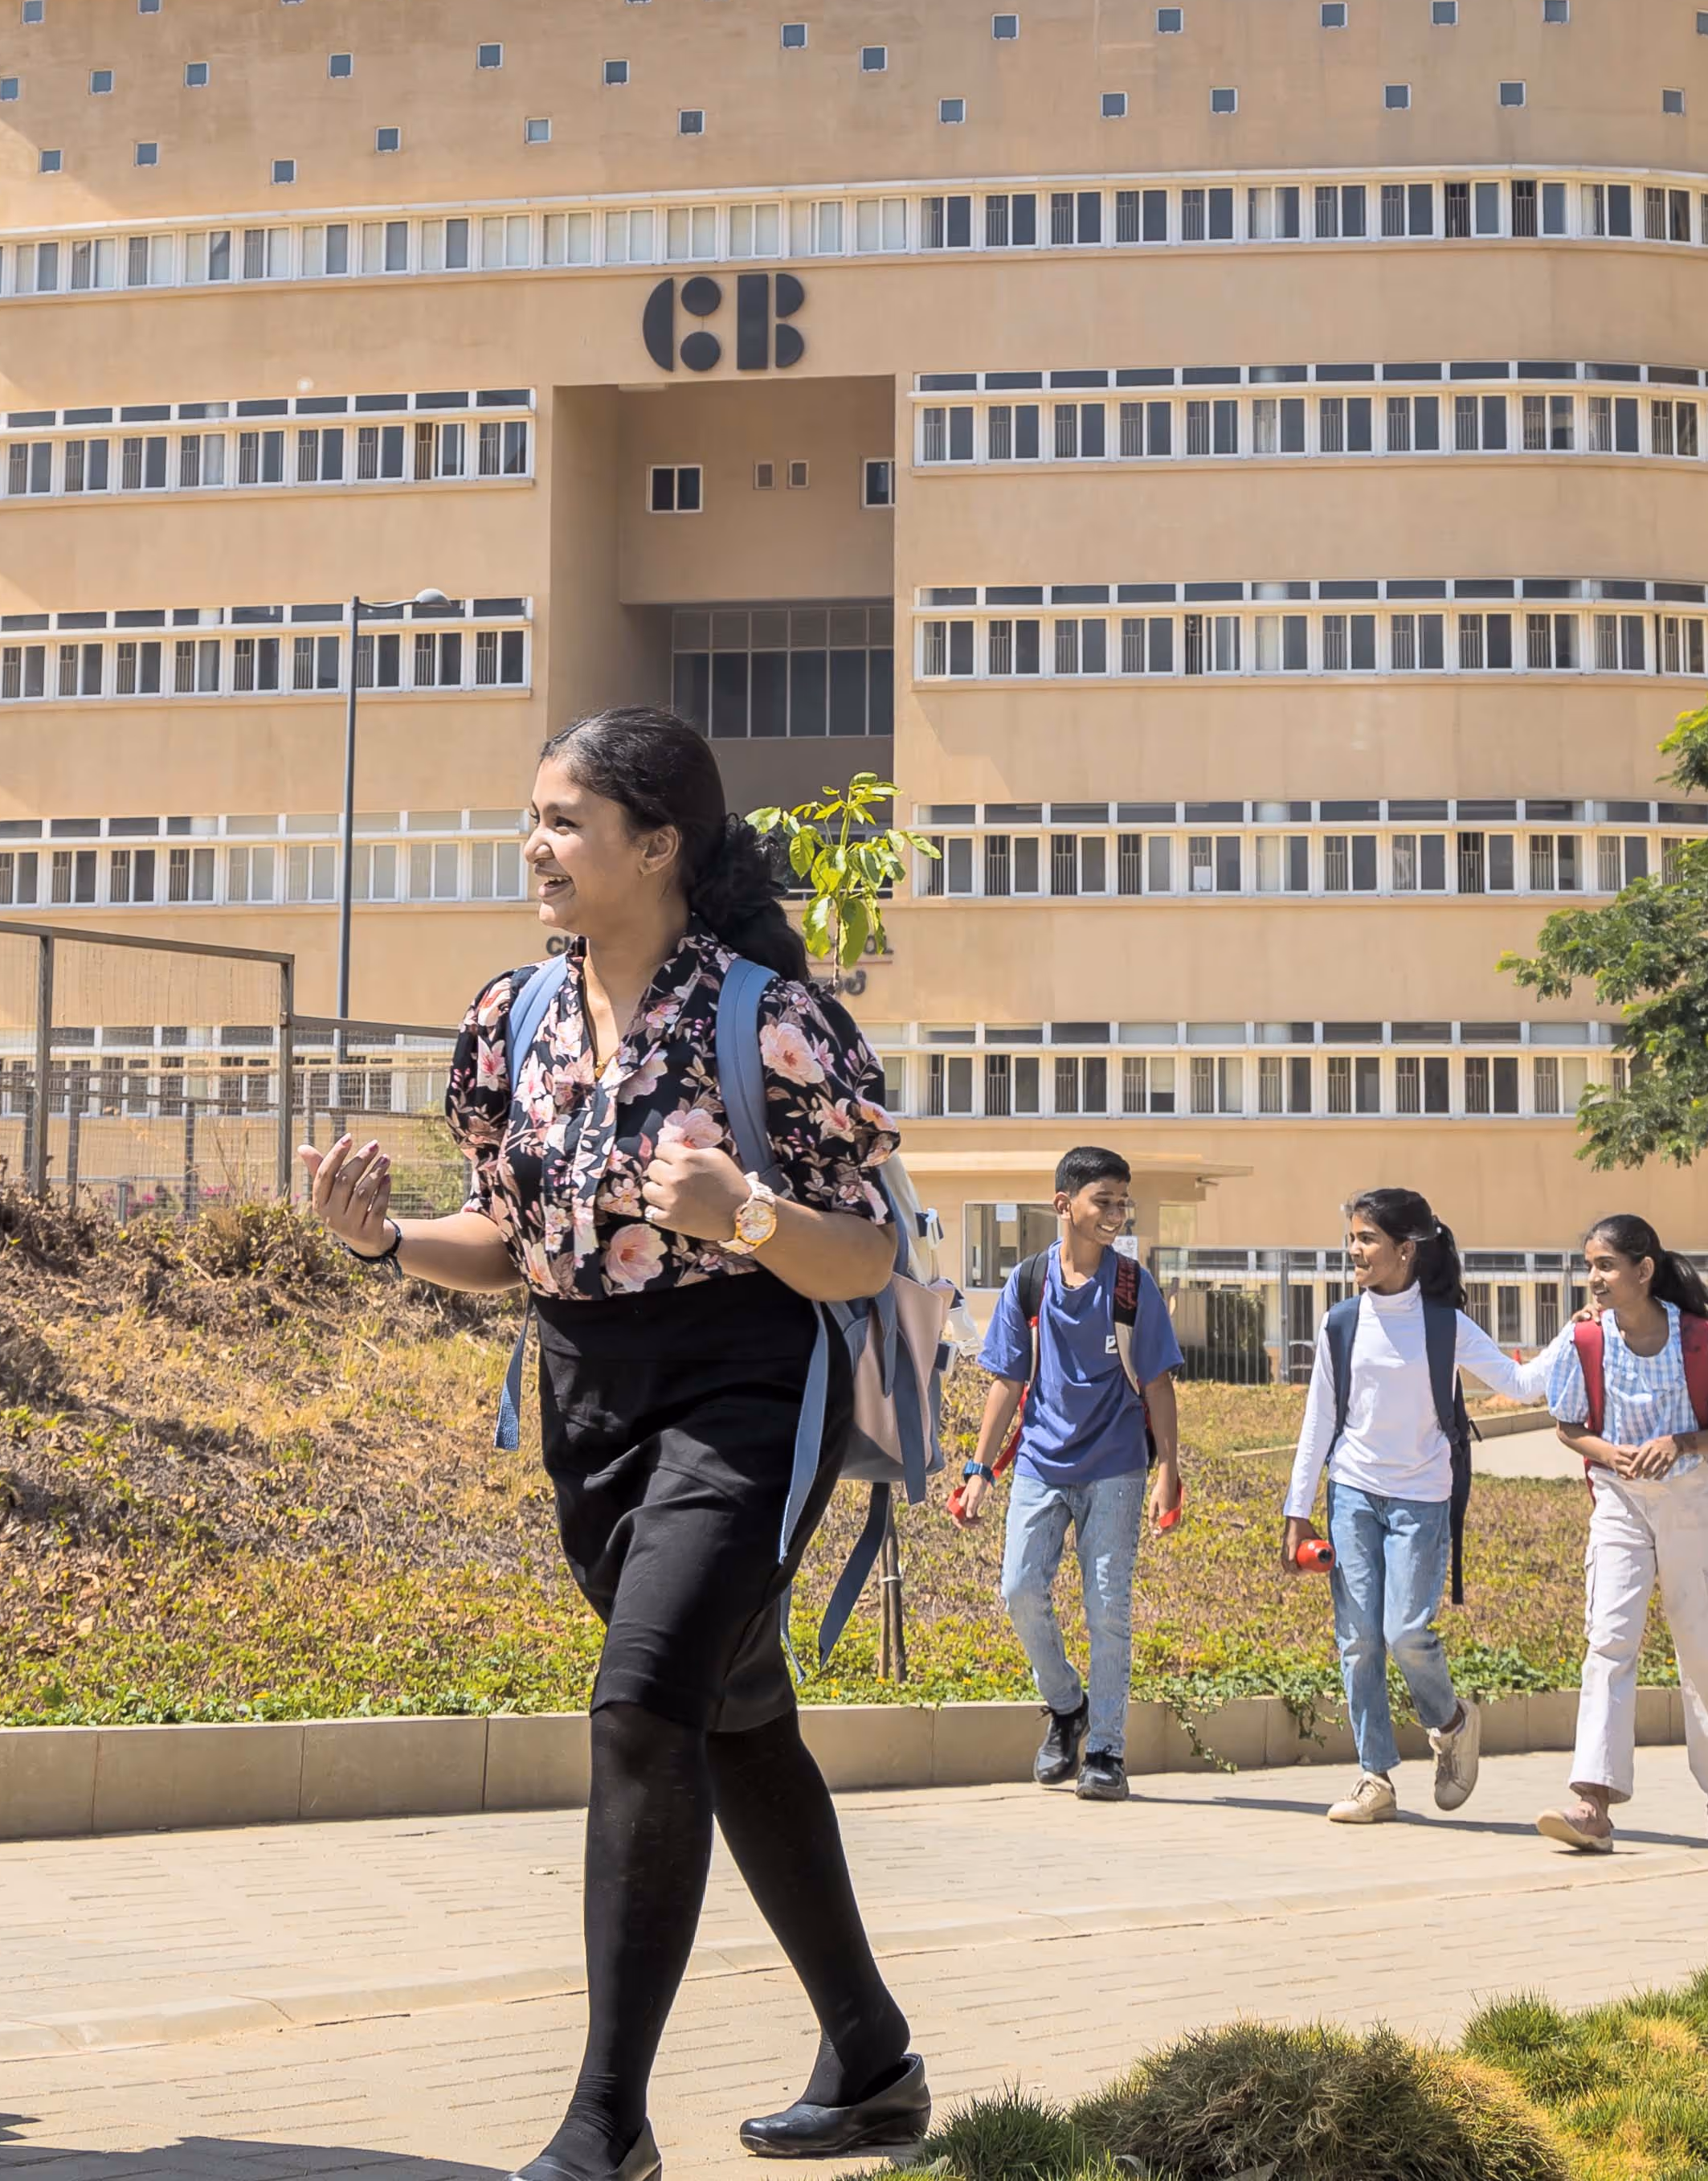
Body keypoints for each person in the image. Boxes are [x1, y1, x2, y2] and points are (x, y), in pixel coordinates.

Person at [304, 707, 925, 2181]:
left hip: (750, 1390)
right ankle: (875, 2058)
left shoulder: (771, 1015)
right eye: (534, 815)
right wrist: (389, 1239)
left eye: (566, 820)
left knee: (643, 1702)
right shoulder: (510, 1017)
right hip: (588, 1402)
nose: (537, 843)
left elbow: (871, 1255)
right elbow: (510, 1244)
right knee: (732, 1716)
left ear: (659, 844)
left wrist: (749, 1215)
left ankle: (606, 2124)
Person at [1282, 1185, 1526, 1827]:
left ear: (1405, 1249)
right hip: (1353, 1493)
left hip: (1421, 1497)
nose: (1354, 1250)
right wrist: (1296, 1509)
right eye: (1353, 1237)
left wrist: (1590, 1335)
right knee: (1358, 1640)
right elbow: (1319, 1421)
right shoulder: (1341, 1322)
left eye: (1366, 1239)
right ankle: (1375, 1778)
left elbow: (1522, 1383)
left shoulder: (1444, 1324)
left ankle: (1450, 1721)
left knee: (1403, 1634)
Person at [1532, 1212, 1708, 1855]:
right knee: (1607, 1640)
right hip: (1618, 1502)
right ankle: (1592, 1803)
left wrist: (1680, 1442)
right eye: (1588, 1266)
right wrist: (1610, 1454)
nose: (1594, 1279)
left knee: (1705, 1653)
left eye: (1606, 1266)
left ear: (1643, 1270)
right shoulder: (1585, 1339)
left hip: (1694, 1504)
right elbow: (1567, 1425)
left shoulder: (1698, 1339)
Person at [960, 1147, 1187, 1802]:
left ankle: (1108, 1753)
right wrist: (979, 1469)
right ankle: (1067, 1706)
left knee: (1107, 1607)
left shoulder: (1131, 1286)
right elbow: (1006, 1380)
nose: (1116, 1213)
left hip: (1115, 1465)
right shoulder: (1028, 1282)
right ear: (1064, 1205)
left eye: (1123, 1202)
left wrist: (1167, 1468)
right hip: (1037, 1462)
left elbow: (1159, 1383)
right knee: (1017, 1589)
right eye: (1103, 1201)